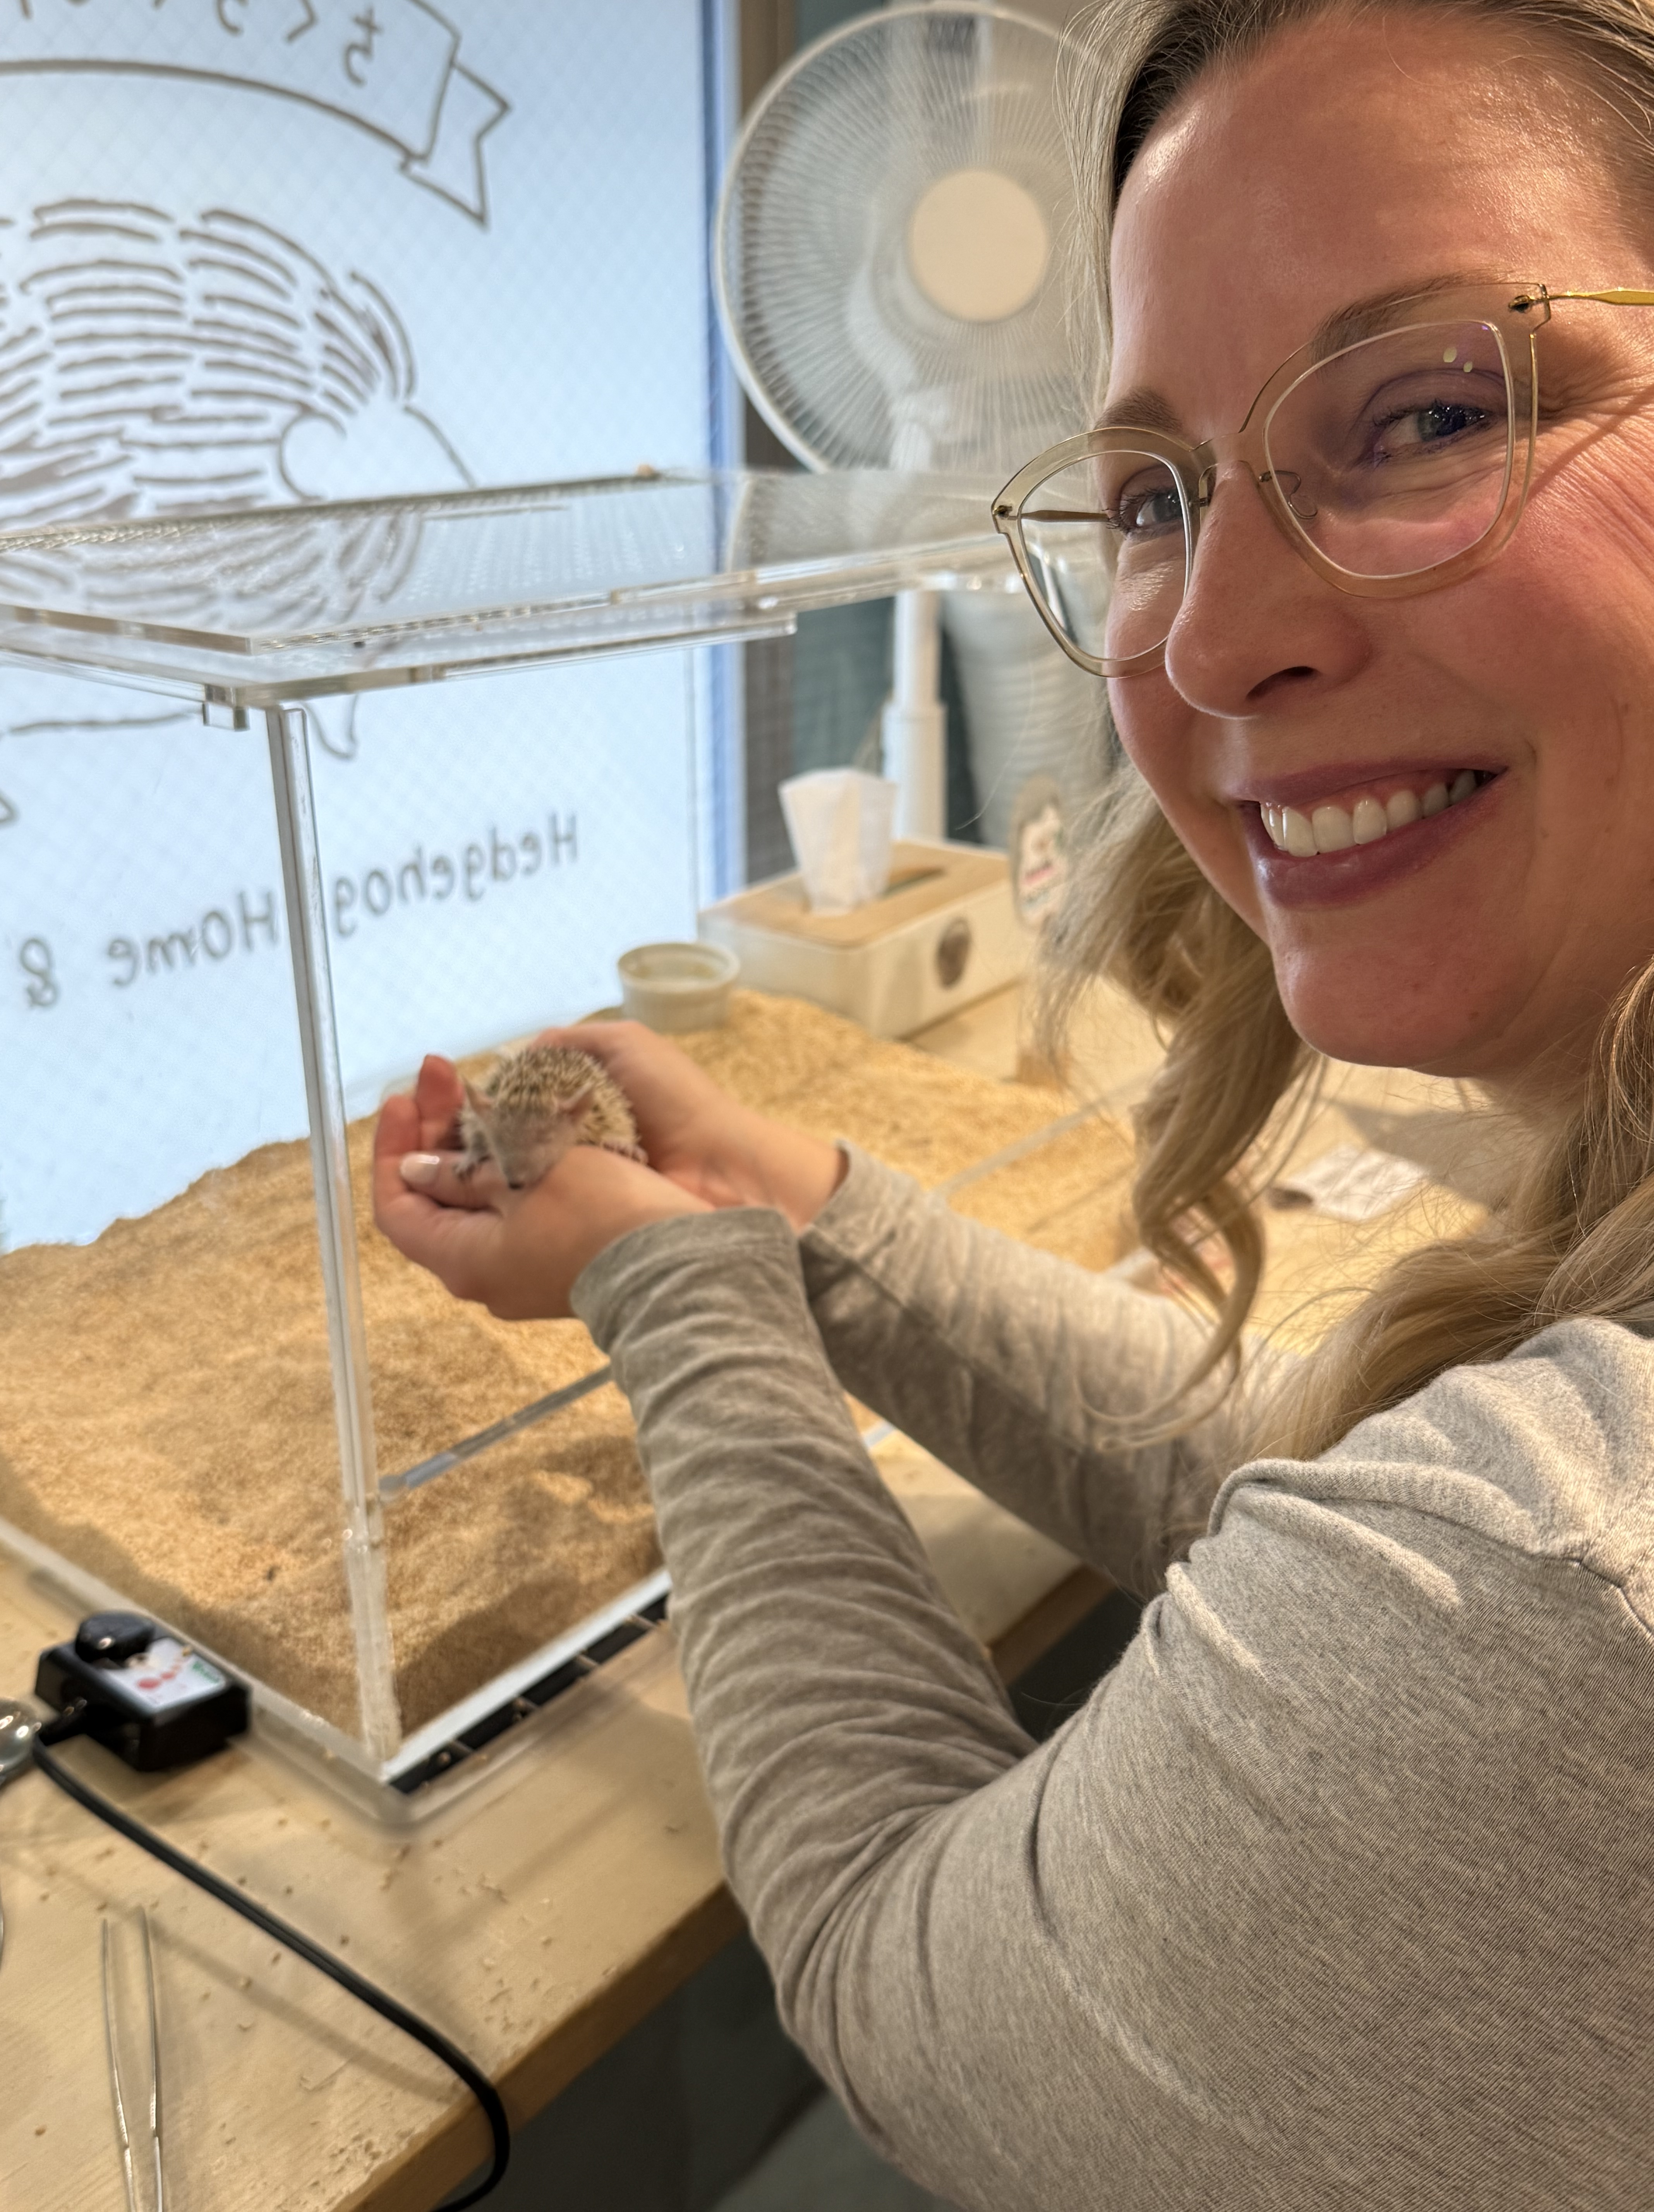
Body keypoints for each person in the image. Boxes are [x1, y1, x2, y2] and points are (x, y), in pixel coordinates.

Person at [374, 1, 1654, 2201]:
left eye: (1432, 413)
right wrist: (797, 1204)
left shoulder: (1573, 1579)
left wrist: (679, 1290)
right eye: (1153, 498)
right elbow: (1345, 1507)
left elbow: (900, 1964)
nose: (1212, 637)